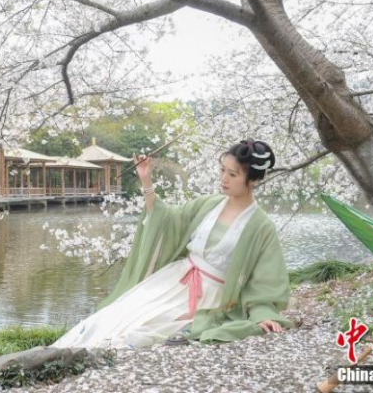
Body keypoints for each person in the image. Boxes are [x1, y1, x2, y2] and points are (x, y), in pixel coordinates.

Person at [50, 139, 294, 349]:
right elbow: (168, 222)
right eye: (222, 171)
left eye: (233, 174)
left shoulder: (261, 226)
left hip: (210, 294)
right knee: (119, 314)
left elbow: (264, 280)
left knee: (145, 329)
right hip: (176, 278)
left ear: (252, 180)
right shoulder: (209, 204)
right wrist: (147, 181)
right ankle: (68, 350)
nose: (224, 179)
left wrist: (262, 314)